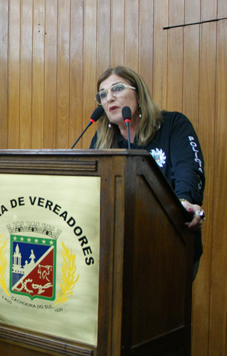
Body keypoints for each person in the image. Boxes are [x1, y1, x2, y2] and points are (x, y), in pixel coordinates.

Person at [90, 65, 205, 275]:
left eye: (117, 89)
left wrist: (185, 201)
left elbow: (187, 170)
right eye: (103, 94)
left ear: (139, 93)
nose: (109, 98)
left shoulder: (173, 125)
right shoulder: (101, 140)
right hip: (116, 249)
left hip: (168, 244)